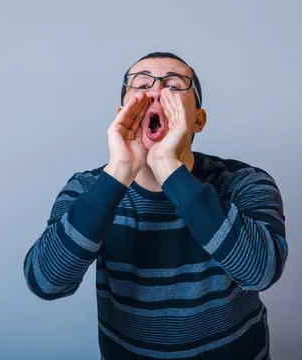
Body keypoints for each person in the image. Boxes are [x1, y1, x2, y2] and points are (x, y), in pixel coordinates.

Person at [23, 52, 288, 359]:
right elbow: (46, 282)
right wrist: (120, 169)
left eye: (174, 87)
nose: (156, 92)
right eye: (141, 84)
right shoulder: (88, 188)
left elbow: (260, 272)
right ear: (122, 113)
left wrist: (166, 164)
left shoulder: (245, 182)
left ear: (198, 120)